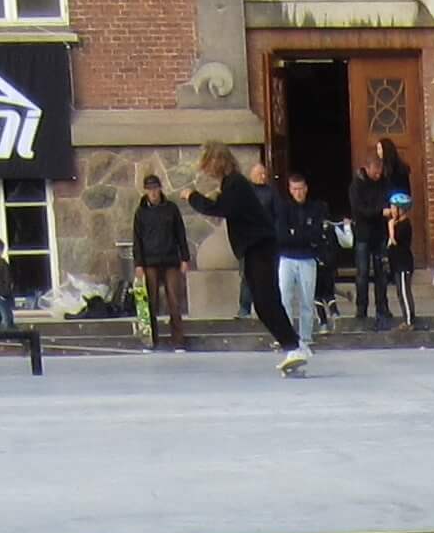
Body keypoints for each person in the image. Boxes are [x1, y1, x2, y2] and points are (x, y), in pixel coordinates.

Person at [185, 146, 303, 371]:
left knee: (266, 300)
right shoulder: (232, 184)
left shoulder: (236, 183)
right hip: (253, 248)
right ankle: (293, 344)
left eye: (208, 166)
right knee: (262, 302)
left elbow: (219, 208)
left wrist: (192, 196)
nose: (207, 172)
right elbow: (225, 204)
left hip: (260, 246)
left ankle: (294, 346)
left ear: (217, 162)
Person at [272, 170, 330, 358]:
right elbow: (280, 235)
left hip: (307, 258)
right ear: (290, 190)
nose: (298, 192)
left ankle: (305, 337)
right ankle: (287, 338)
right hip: (287, 258)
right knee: (285, 298)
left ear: (306, 189)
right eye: (294, 189)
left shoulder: (315, 208)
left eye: (301, 189)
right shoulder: (283, 208)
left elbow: (315, 234)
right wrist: (300, 235)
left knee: (307, 299)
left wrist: (296, 234)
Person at [133, 173, 190, 350]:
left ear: (160, 189)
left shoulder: (171, 209)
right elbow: (137, 239)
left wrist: (185, 258)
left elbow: (180, 233)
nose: (153, 193)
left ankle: (178, 341)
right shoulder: (140, 212)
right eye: (150, 189)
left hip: (171, 260)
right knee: (150, 303)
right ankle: (151, 341)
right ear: (146, 191)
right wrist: (139, 264)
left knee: (175, 301)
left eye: (155, 188)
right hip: (149, 262)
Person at [347, 153, 393, 331]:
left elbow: (387, 200)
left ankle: (382, 307)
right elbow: (359, 210)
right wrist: (379, 212)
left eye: (380, 170)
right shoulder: (357, 185)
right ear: (368, 168)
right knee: (363, 273)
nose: (378, 174)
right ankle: (361, 308)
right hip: (363, 234)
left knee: (381, 273)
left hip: (379, 234)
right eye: (376, 170)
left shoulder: (383, 183)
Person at [384, 188, 419, 332]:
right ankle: (407, 318)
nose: (391, 210)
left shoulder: (404, 226)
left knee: (404, 292)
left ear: (401, 210)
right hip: (397, 264)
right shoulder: (397, 223)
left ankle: (409, 321)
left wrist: (390, 227)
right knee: (400, 291)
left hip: (404, 264)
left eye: (393, 207)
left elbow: (394, 240)